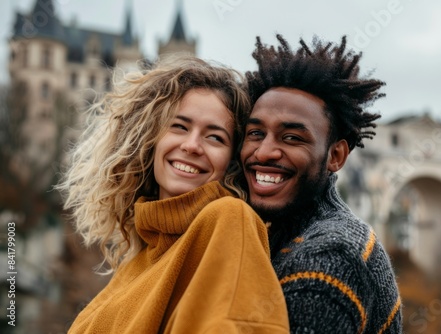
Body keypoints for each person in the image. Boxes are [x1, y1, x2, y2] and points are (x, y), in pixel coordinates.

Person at [57, 55, 289, 333]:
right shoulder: (138, 260)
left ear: (232, 160)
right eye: (179, 126)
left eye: (215, 137)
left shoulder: (229, 220)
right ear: (150, 138)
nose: (192, 146)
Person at [240, 35, 403, 333]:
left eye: (292, 138)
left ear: (336, 156)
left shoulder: (328, 260)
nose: (264, 152)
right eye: (255, 133)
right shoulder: (280, 232)